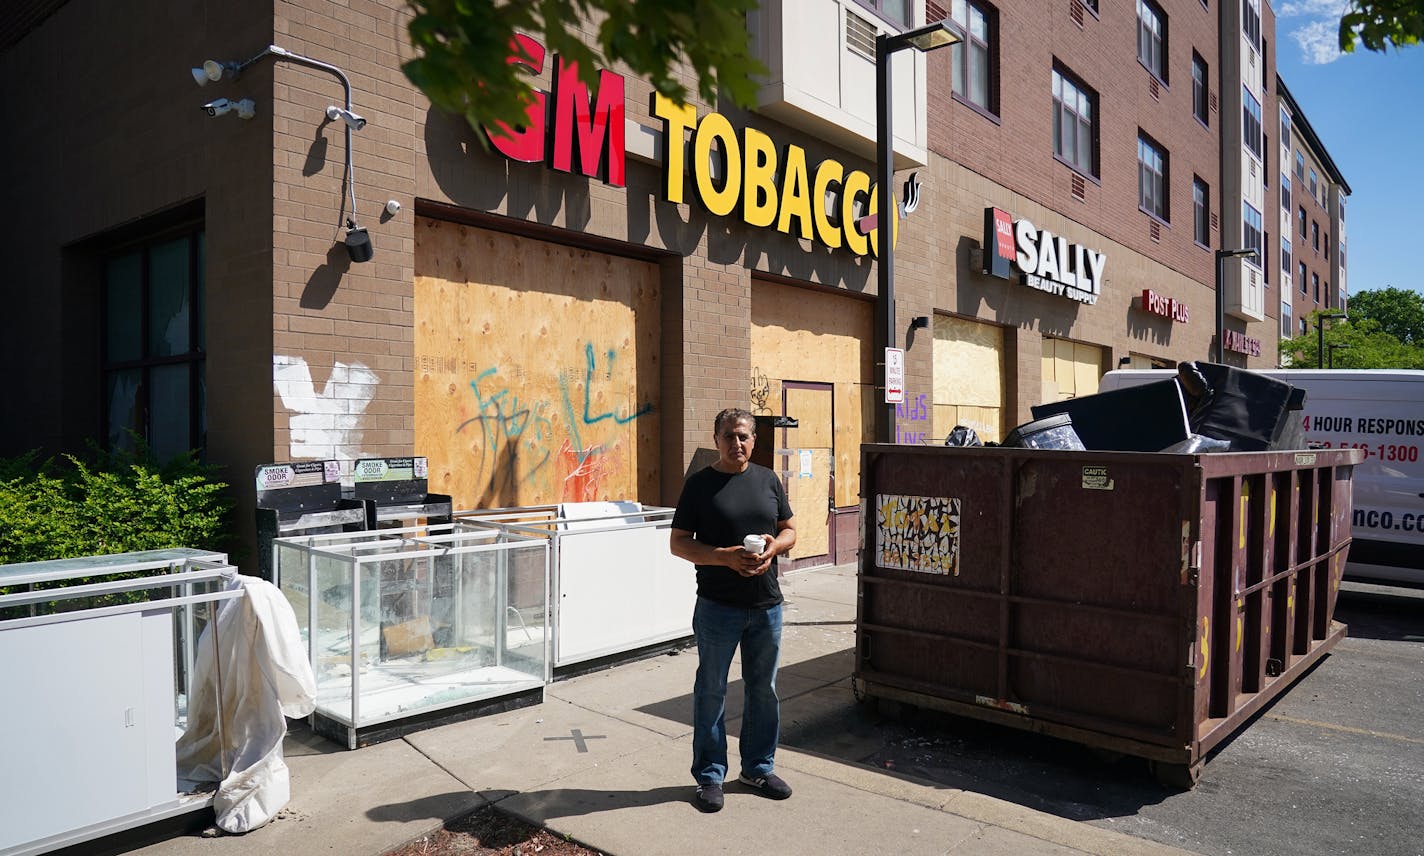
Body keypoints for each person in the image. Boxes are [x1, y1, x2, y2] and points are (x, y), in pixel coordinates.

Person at [670, 407, 797, 813]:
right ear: (717, 438)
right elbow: (678, 543)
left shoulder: (768, 480)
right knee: (711, 690)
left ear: (754, 440)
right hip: (717, 608)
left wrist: (774, 546)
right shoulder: (699, 485)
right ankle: (710, 776)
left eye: (743, 436)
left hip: (766, 607)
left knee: (765, 691)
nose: (736, 444)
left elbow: (791, 529)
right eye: (728, 436)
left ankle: (758, 768)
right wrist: (722, 557)